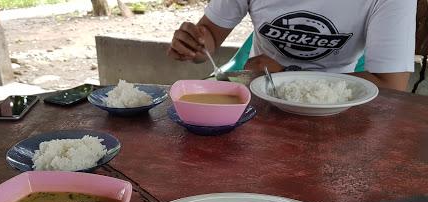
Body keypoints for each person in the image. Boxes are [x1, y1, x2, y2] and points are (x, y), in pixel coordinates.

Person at [168, 0, 417, 91]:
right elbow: (210, 34)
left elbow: (391, 85)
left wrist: (285, 77)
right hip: (258, 102)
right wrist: (195, 45)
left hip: (338, 109)